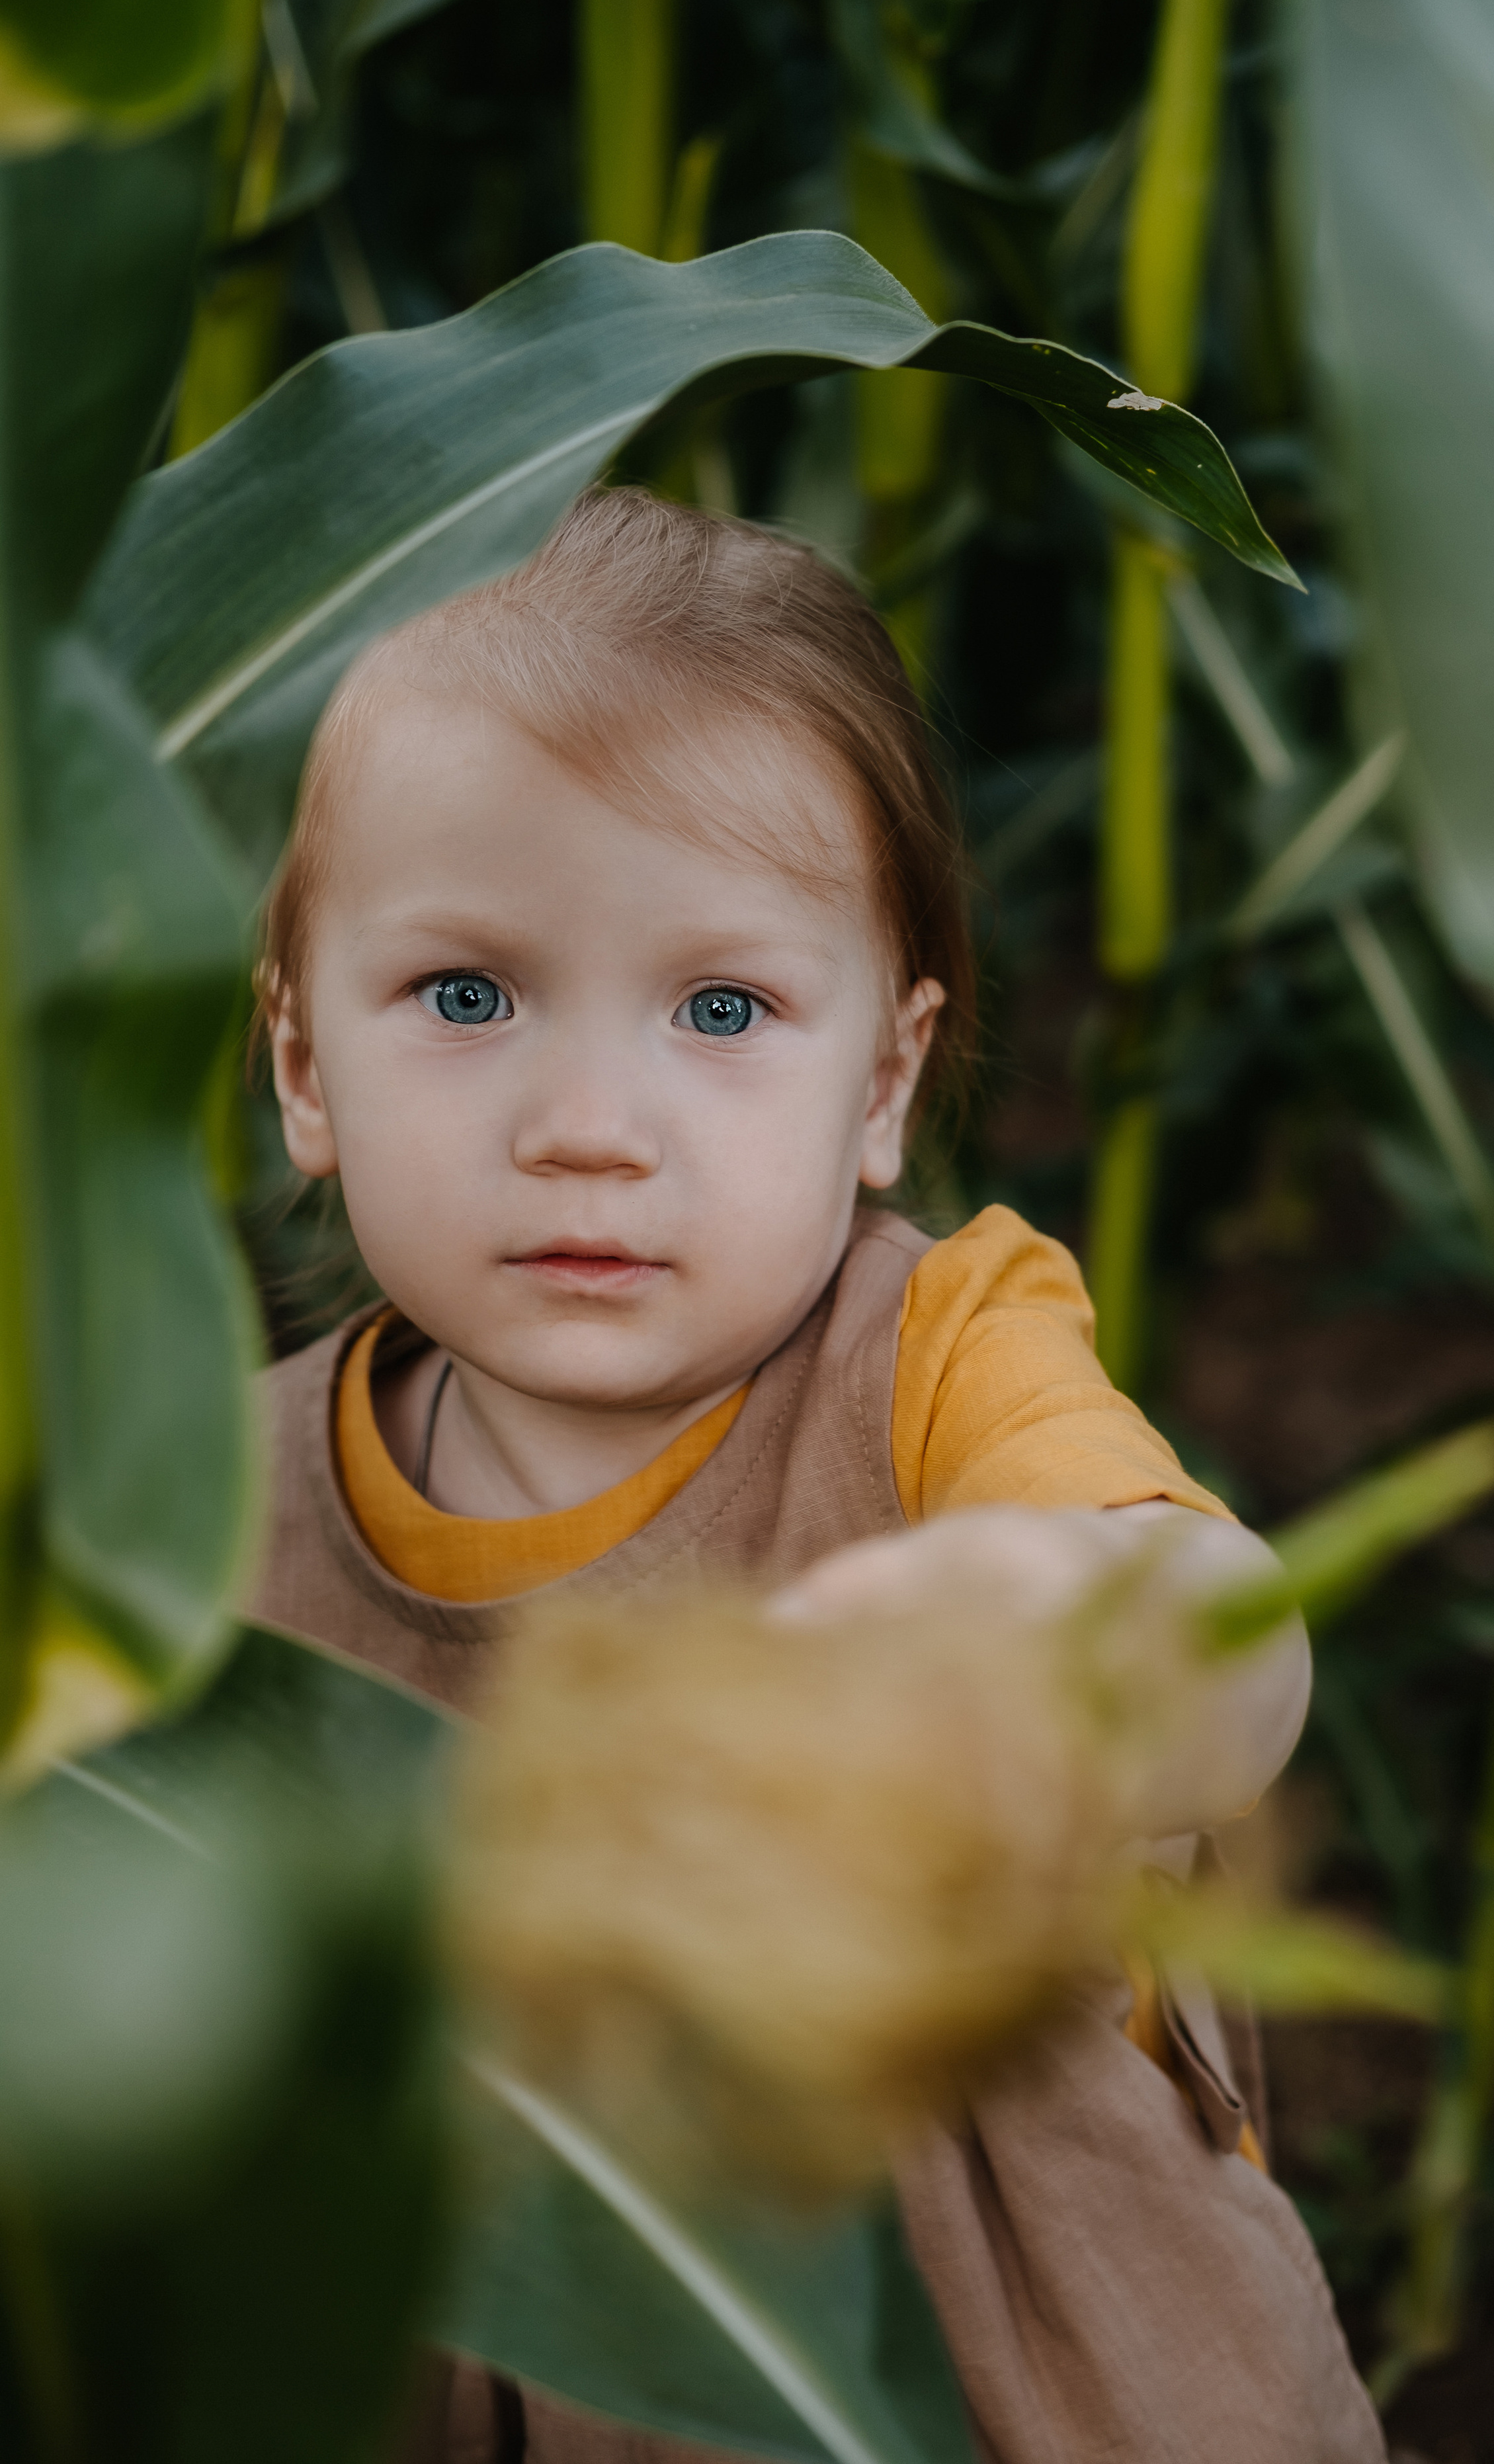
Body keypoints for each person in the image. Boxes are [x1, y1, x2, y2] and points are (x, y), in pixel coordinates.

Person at [247, 486, 1386, 2464]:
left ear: (881, 1081)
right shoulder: (207, 1507)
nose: (591, 1125)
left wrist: (1033, 1652)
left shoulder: (943, 1359)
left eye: (721, 1010)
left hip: (1007, 2382)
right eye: (465, 996)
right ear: (302, 1064)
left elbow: (1221, 1642)